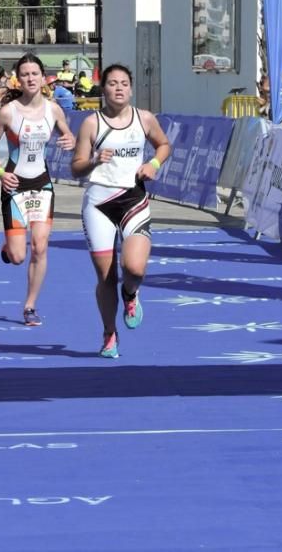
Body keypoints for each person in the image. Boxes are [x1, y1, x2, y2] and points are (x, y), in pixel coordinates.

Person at [71, 64, 171, 359]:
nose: (118, 88)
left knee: (135, 269)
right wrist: (93, 160)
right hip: (99, 204)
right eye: (112, 83)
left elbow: (164, 144)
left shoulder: (144, 119)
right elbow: (75, 168)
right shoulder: (92, 123)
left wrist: (153, 164)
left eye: (124, 83)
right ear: (104, 89)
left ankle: (130, 294)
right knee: (106, 278)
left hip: (133, 200)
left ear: (131, 88)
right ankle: (109, 333)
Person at [0, 54, 76, 326]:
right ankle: (8, 248)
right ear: (18, 79)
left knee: (39, 246)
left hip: (41, 185)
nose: (30, 78)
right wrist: (1, 173)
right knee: (17, 256)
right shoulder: (8, 112)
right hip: (15, 186)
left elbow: (67, 135)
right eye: (25, 74)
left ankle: (30, 306)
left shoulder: (54, 110)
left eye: (35, 73)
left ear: (42, 77)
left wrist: (69, 140)